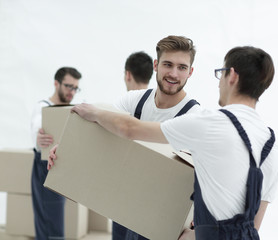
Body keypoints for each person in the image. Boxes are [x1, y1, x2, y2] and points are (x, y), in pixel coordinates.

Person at [49, 46, 278, 240]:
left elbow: (130, 129)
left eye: (220, 74)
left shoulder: (209, 122)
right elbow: (253, 225)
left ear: (231, 75)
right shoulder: (272, 146)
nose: (219, 82)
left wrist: (94, 113)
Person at [48, 35, 201, 240]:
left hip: (163, 219)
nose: (174, 73)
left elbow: (204, 174)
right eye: (168, 64)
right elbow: (97, 134)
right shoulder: (134, 101)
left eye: (182, 67)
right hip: (125, 210)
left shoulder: (194, 115)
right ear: (156, 65)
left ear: (190, 72)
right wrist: (65, 149)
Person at [31, 67, 82, 240]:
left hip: (61, 165)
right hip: (44, 166)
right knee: (49, 220)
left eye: (75, 88)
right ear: (56, 83)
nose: (72, 91)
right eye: (69, 86)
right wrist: (39, 136)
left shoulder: (72, 109)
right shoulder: (43, 106)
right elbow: (38, 126)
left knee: (55, 218)